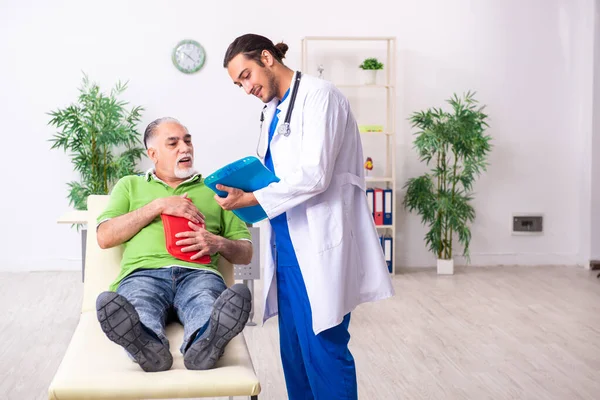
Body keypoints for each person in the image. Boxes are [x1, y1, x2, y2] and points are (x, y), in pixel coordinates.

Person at [219, 34, 395, 399]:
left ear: (267, 58)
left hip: (318, 242)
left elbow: (315, 174)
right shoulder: (272, 109)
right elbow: (276, 172)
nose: (246, 88)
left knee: (323, 348)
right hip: (286, 244)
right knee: (295, 351)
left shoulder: (320, 96)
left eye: (247, 76)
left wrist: (253, 196)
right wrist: (246, 191)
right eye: (238, 84)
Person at [94, 117, 253, 372]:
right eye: (174, 143)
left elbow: (246, 253)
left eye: (188, 141)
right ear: (153, 154)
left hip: (199, 275)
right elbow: (104, 236)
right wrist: (159, 205)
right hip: (143, 274)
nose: (185, 148)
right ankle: (145, 345)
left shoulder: (219, 190)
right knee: (138, 305)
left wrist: (218, 243)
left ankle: (204, 342)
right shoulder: (129, 185)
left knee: (205, 304)